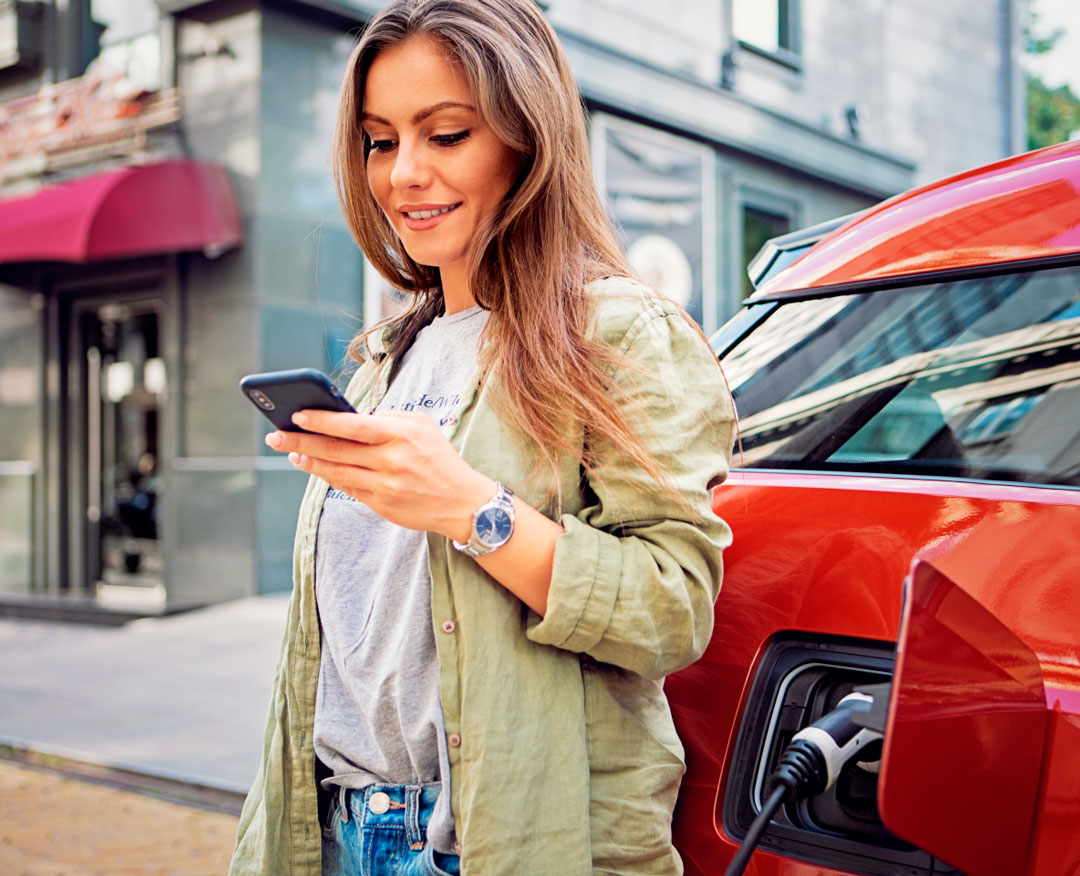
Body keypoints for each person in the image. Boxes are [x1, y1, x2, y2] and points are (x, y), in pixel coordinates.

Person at [229, 1, 735, 874]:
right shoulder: (386, 360)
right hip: (339, 828)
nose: (404, 175)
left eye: (448, 134)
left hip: (496, 839)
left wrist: (475, 510)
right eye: (382, 142)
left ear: (526, 142)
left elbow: (673, 610)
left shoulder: (619, 332)